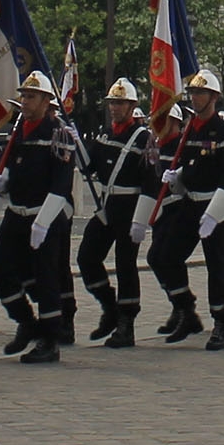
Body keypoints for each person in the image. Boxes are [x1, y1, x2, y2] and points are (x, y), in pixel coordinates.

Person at [0, 71, 76, 364]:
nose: (25, 102)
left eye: (31, 97)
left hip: (44, 216)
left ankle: (49, 340)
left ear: (47, 101)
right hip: (17, 213)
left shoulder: (58, 134)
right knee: (0, 269)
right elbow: (13, 168)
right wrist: (2, 185)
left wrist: (44, 221)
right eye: (23, 96)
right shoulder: (19, 130)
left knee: (47, 279)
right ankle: (26, 322)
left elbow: (61, 183)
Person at [150, 69, 224, 350]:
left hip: (216, 206)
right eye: (192, 93)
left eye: (200, 93)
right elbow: (187, 167)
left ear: (213, 97)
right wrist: (176, 180)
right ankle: (185, 309)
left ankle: (221, 323)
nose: (195, 97)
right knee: (164, 256)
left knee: (217, 265)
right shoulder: (189, 130)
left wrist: (214, 215)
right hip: (190, 202)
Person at [77, 77, 150, 348]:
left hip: (129, 207)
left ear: (131, 106)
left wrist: (141, 219)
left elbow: (149, 183)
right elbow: (90, 166)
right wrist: (77, 144)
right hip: (107, 206)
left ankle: (126, 322)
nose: (114, 108)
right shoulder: (106, 134)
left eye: (119, 103)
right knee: (87, 257)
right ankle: (109, 306)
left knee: (125, 264)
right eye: (112, 103)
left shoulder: (142, 138)